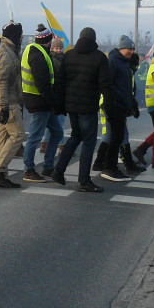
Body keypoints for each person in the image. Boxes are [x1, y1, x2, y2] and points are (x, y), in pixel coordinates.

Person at [49, 26, 112, 193]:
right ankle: (83, 180)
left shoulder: (68, 55)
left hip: (71, 106)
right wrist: (110, 105)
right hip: (88, 105)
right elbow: (105, 84)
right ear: (94, 39)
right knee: (89, 142)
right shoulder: (99, 57)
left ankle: (58, 170)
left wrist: (60, 105)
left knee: (75, 136)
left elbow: (60, 82)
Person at [21, 24, 59, 183]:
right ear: (49, 40)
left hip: (39, 100)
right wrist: (54, 102)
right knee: (35, 137)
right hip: (40, 102)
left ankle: (48, 167)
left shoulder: (33, 50)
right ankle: (29, 170)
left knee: (57, 133)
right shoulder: (38, 55)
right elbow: (43, 83)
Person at [0, 22, 23, 187]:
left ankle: (0, 174)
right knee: (18, 135)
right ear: (14, 36)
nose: (22, 37)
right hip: (8, 100)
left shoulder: (8, 50)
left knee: (3, 136)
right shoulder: (6, 53)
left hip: (6, 100)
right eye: (20, 35)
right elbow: (2, 82)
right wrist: (5, 107)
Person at [99, 35, 137, 182]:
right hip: (115, 105)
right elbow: (108, 84)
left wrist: (131, 103)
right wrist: (112, 103)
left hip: (121, 105)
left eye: (133, 49)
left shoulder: (123, 62)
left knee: (117, 137)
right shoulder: (114, 61)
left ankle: (110, 167)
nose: (131, 51)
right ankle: (109, 168)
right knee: (115, 137)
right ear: (122, 48)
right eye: (129, 49)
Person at [40, 36, 68, 177]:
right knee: (55, 127)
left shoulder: (64, 60)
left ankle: (47, 151)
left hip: (59, 97)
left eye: (60, 48)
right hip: (53, 97)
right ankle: (59, 147)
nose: (58, 50)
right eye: (56, 48)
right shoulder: (50, 59)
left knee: (55, 127)